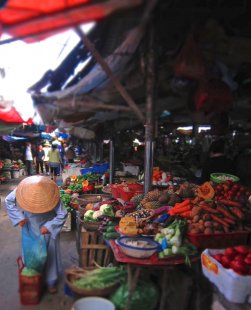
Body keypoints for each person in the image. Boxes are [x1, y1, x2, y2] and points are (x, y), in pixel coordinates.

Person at [5, 176, 67, 294]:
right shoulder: (23, 188)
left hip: (47, 228)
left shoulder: (51, 193)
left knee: (49, 254)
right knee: (31, 254)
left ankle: (50, 281)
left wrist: (49, 226)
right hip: (29, 225)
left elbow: (62, 213)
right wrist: (19, 217)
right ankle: (31, 278)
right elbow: (8, 200)